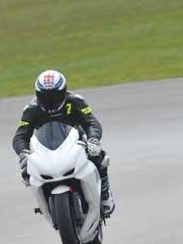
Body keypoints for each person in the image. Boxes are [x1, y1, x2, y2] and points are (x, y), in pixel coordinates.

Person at [12, 70, 115, 217]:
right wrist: (23, 152)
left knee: (99, 155)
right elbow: (20, 136)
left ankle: (104, 195)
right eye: (45, 97)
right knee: (26, 171)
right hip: (44, 148)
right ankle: (45, 204)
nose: (50, 101)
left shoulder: (75, 101)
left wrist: (93, 139)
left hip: (76, 142)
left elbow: (91, 123)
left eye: (54, 96)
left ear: (63, 92)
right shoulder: (31, 110)